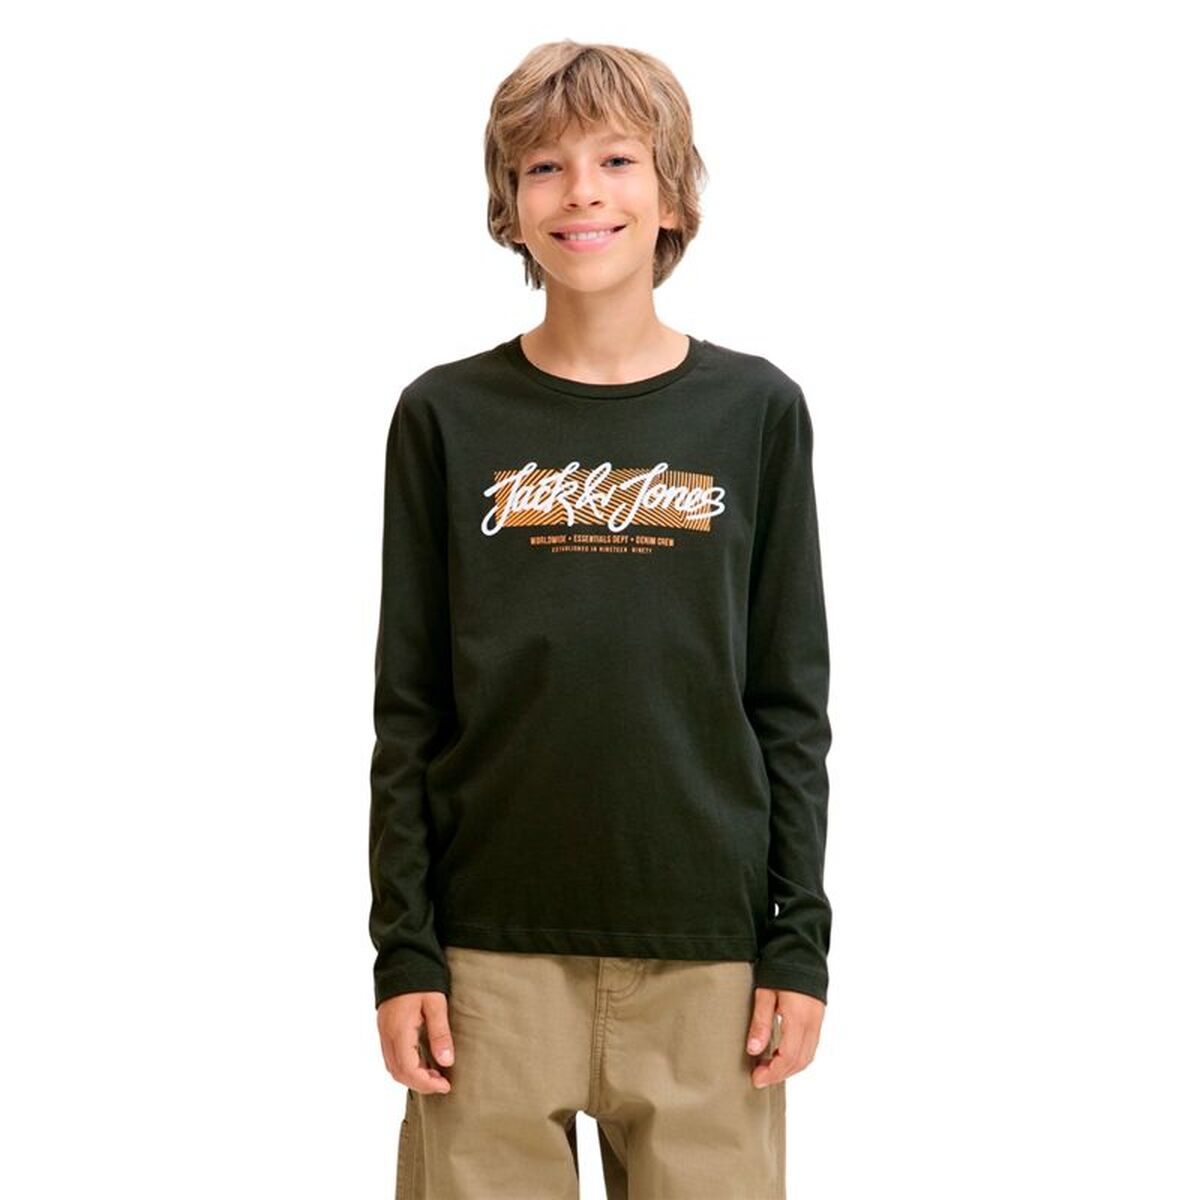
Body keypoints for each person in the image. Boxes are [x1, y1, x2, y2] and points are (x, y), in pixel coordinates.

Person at [369, 39, 833, 1199]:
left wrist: (799, 942)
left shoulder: (756, 412)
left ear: (671, 195)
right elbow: (408, 709)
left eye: (617, 160)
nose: (582, 191)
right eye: (545, 167)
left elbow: (788, 702)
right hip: (486, 961)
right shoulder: (444, 418)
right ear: (510, 205)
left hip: (708, 959)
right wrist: (404, 950)